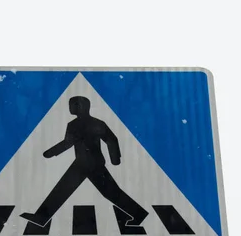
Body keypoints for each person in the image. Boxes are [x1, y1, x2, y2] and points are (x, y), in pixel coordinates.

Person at [20, 96, 148, 227]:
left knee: (111, 192)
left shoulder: (87, 124)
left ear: (81, 106)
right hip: (83, 163)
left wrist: (115, 160)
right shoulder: (84, 124)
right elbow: (73, 142)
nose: (70, 108)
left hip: (93, 164)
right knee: (62, 190)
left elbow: (109, 140)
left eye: (72, 105)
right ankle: (41, 217)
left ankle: (139, 213)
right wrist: (51, 152)